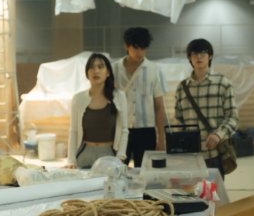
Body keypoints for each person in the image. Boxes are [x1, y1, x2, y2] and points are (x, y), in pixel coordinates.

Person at [174, 38, 239, 176]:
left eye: (203, 53)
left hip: (215, 155)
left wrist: (218, 135)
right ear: (189, 58)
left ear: (210, 56)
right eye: (194, 53)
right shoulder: (182, 87)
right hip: (191, 157)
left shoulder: (223, 83)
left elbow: (233, 117)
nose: (198, 57)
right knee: (190, 190)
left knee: (214, 190)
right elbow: (179, 120)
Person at [112, 27, 167, 166]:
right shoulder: (114, 69)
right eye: (136, 48)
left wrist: (161, 138)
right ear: (126, 46)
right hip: (120, 128)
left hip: (146, 131)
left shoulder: (154, 69)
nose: (140, 52)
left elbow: (159, 107)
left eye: (143, 48)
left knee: (145, 171)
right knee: (117, 169)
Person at [68, 53, 129, 168]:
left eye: (100, 67)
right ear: (87, 74)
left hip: (109, 155)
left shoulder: (119, 96)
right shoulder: (78, 99)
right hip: (84, 154)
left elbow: (124, 130)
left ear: (108, 72)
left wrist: (120, 157)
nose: (96, 71)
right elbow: (73, 131)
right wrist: (71, 161)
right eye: (91, 67)